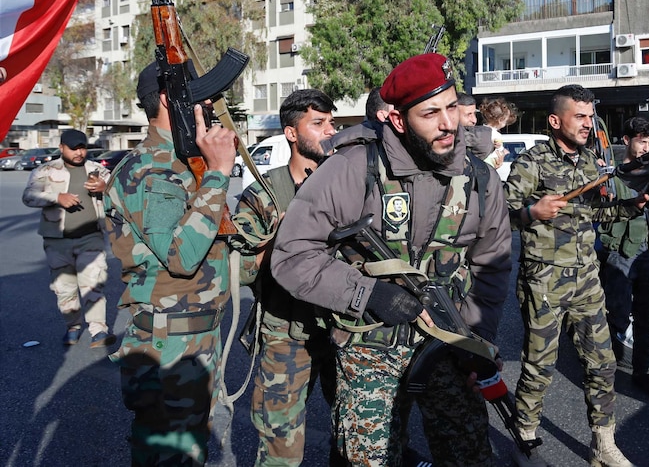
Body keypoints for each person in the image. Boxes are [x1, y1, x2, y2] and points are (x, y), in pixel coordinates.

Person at [270, 52, 512, 466]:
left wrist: (477, 338)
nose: (447, 123)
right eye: (430, 113)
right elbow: (292, 255)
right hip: (371, 347)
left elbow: (491, 265)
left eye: (452, 107)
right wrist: (366, 294)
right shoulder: (351, 167)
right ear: (398, 120)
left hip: (449, 343)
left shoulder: (480, 179)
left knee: (469, 455)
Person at [103, 61, 238, 466]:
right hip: (170, 347)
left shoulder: (182, 161)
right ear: (169, 99)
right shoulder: (149, 169)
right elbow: (181, 256)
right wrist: (218, 173)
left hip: (194, 339)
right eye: (201, 95)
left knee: (189, 451)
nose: (211, 103)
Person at [505, 84, 644, 467]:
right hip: (544, 281)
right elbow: (501, 215)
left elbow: (596, 213)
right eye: (579, 116)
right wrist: (532, 213)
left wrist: (631, 207)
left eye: (590, 115)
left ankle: (603, 443)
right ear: (556, 120)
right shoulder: (531, 163)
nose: (588, 124)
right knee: (539, 366)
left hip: (587, 279)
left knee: (602, 362)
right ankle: (526, 441)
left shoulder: (589, 163)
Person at [233, 88, 338, 466]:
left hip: (345, 329)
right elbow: (241, 268)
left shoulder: (349, 183)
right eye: (318, 123)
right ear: (292, 133)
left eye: (332, 123)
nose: (330, 131)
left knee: (357, 438)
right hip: (286, 334)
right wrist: (286, 241)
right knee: (280, 445)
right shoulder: (264, 193)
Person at [22, 129, 115, 348]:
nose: (79, 153)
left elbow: (119, 192)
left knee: (94, 282)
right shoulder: (45, 170)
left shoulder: (97, 170)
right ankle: (72, 327)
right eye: (73, 148)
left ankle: (98, 331)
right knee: (65, 288)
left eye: (82, 148)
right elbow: (28, 196)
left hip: (90, 237)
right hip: (57, 240)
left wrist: (105, 188)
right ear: (62, 147)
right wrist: (56, 197)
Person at [597, 117, 649, 399]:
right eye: (641, 141)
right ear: (627, 140)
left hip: (647, 252)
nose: (646, 148)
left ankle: (642, 373)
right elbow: (598, 208)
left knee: (647, 314)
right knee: (615, 315)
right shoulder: (609, 172)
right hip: (618, 251)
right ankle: (606, 373)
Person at [479, 97, 516, 169]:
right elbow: (498, 148)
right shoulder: (496, 135)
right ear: (500, 120)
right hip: (489, 162)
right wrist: (503, 151)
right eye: (505, 121)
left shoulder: (481, 129)